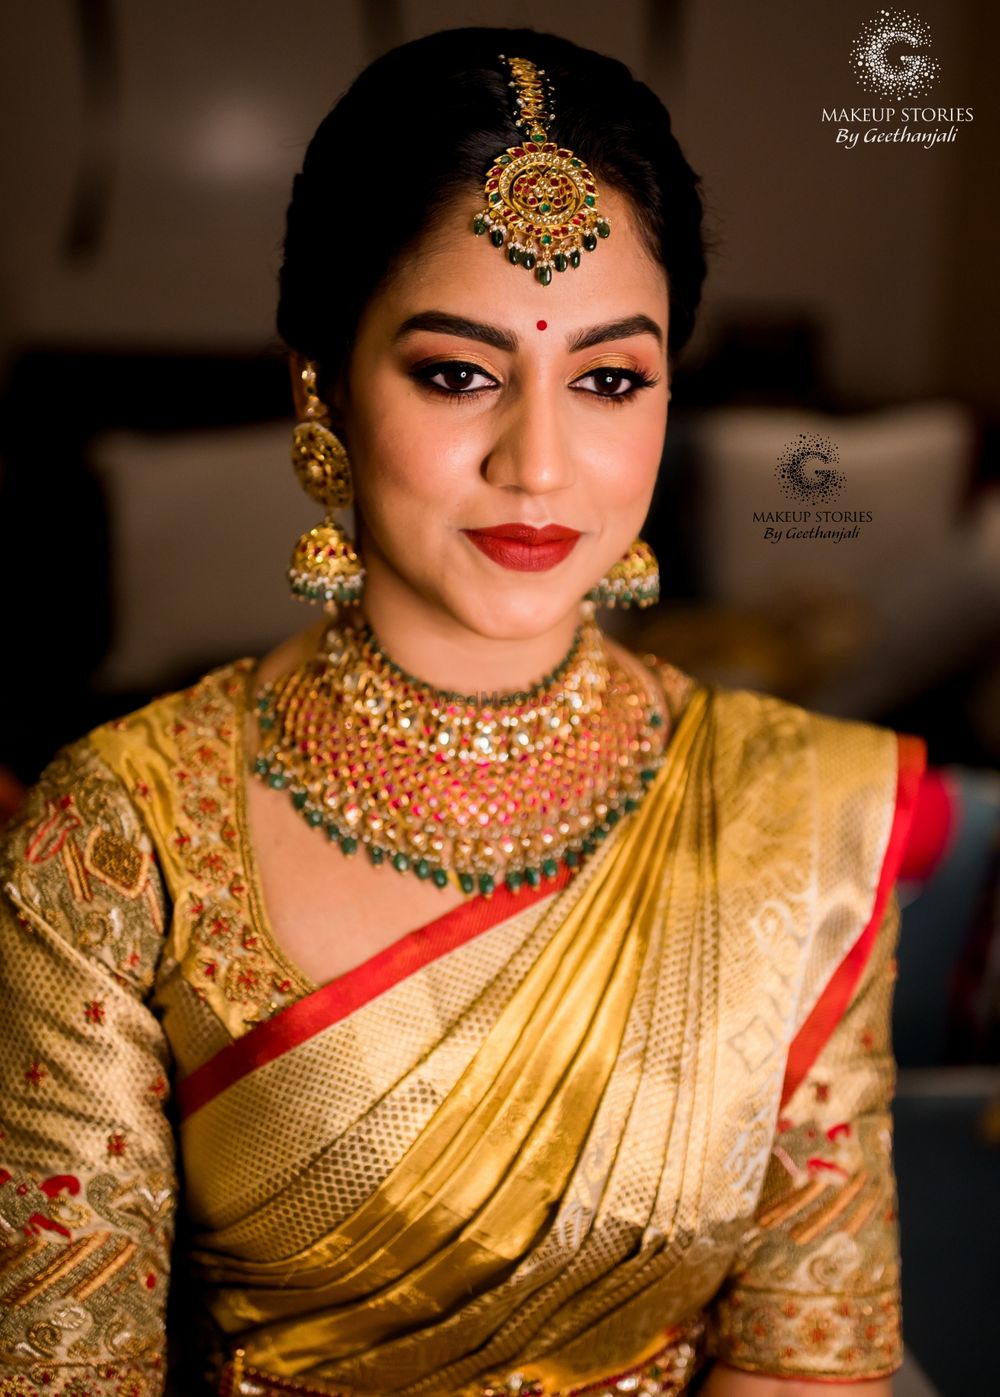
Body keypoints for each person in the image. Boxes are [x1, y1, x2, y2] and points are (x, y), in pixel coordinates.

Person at [0, 27, 926, 1397]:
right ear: (318, 381)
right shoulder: (120, 836)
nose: (538, 462)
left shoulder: (798, 820)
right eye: (455, 372)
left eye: (610, 378)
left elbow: (809, 1362)